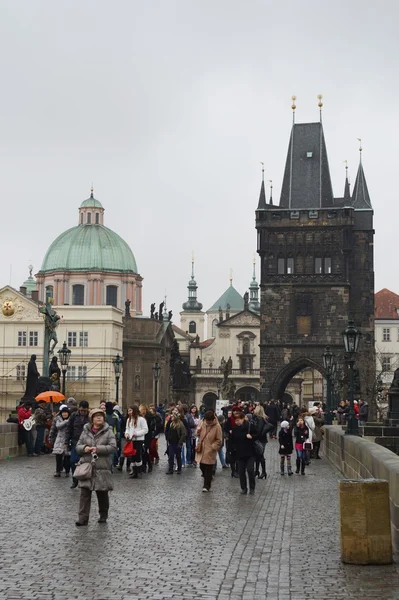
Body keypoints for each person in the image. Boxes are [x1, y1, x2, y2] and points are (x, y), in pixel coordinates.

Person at [75, 408, 117, 526]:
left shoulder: (108, 431)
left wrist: (98, 449)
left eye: (101, 416)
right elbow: (78, 446)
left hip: (102, 466)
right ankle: (82, 518)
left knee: (102, 492)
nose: (99, 418)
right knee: (84, 493)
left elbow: (113, 447)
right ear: (92, 419)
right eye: (96, 416)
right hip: (87, 466)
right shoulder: (85, 431)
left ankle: (103, 514)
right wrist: (84, 448)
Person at [230, 411, 258, 495]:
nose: (237, 422)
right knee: (241, 472)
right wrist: (231, 450)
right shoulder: (234, 428)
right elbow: (233, 441)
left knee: (250, 470)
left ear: (242, 419)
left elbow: (257, 435)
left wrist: (251, 437)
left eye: (238, 420)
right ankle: (244, 488)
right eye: (235, 421)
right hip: (240, 453)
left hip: (250, 452)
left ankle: (252, 488)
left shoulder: (250, 426)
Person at [196, 410, 222, 492]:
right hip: (201, 448)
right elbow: (196, 433)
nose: (208, 422)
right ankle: (208, 478)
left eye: (209, 421)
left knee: (209, 468)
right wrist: (198, 431)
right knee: (202, 466)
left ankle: (206, 486)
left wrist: (212, 447)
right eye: (206, 420)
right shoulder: (202, 423)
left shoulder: (217, 426)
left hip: (210, 450)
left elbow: (219, 440)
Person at [67, 400, 90, 488]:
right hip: (75, 442)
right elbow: (69, 428)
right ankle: (75, 479)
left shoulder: (90, 417)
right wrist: (66, 441)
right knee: (73, 461)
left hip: (87, 443)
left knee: (86, 462)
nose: (83, 412)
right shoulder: (74, 416)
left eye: (84, 410)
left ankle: (85, 479)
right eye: (81, 410)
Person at [124, 405, 148, 479]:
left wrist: (136, 433)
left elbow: (145, 430)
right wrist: (127, 433)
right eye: (128, 411)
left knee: (137, 455)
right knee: (132, 456)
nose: (129, 412)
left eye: (130, 410)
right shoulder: (129, 419)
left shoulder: (141, 419)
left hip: (139, 440)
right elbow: (127, 428)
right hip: (131, 440)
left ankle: (139, 472)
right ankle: (134, 472)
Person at [49, 406, 71, 477]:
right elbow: (57, 426)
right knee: (58, 457)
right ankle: (58, 471)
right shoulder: (58, 419)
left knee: (67, 457)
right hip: (59, 440)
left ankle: (67, 471)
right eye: (63, 413)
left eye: (66, 413)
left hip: (68, 439)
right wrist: (65, 422)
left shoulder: (71, 419)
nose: (64, 414)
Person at [252, 405, 272, 479]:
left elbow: (259, 431)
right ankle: (257, 471)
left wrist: (254, 437)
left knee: (260, 455)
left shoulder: (260, 419)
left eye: (255, 409)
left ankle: (263, 472)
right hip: (261, 439)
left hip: (260, 440)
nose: (253, 410)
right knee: (258, 455)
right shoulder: (261, 418)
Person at [165, 409, 186, 475]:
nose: (171, 418)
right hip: (171, 443)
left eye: (173, 417)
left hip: (177, 443)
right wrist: (168, 439)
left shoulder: (180, 424)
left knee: (178, 456)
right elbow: (169, 432)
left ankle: (179, 469)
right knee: (171, 457)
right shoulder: (171, 423)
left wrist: (180, 442)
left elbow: (183, 434)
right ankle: (170, 469)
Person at [139, 404, 156, 473]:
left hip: (147, 435)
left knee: (145, 451)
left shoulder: (149, 416)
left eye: (141, 409)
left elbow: (151, 426)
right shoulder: (139, 416)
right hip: (141, 435)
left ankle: (148, 464)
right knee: (142, 451)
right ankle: (144, 465)